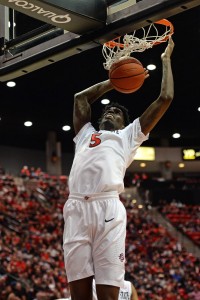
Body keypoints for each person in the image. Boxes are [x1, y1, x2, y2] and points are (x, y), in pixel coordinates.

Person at [63, 36, 174, 300]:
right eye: (107, 111)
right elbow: (80, 98)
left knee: (109, 296)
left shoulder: (128, 136)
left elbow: (165, 97)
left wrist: (165, 61)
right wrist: (113, 83)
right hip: (76, 208)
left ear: (124, 123)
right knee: (79, 295)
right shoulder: (85, 134)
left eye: (116, 111)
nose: (110, 111)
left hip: (108, 209)